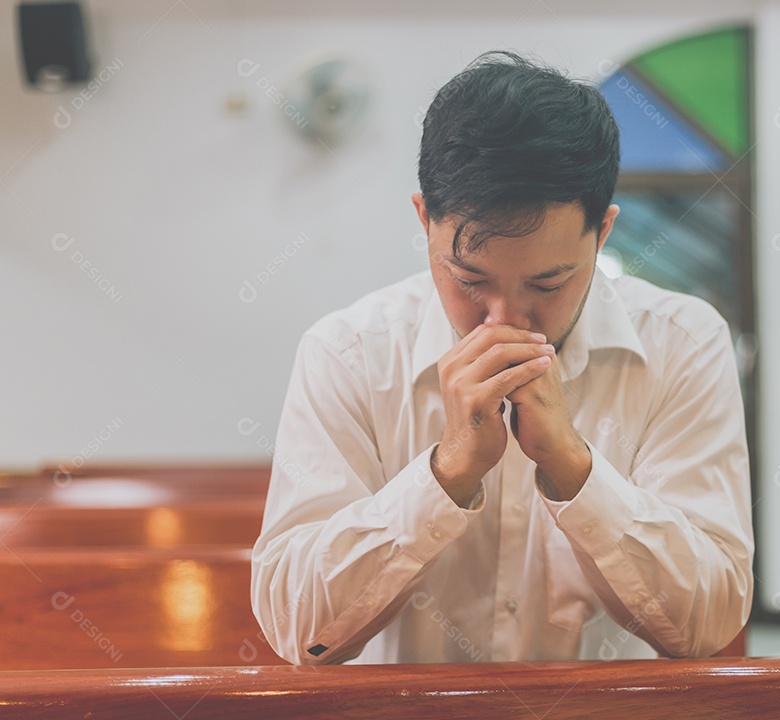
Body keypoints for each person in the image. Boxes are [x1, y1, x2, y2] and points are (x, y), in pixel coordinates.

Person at [251, 51, 753, 665]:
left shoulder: (682, 343)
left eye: (547, 285)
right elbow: (298, 632)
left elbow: (709, 624)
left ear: (603, 235)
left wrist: (574, 467)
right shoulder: (348, 354)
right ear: (424, 221)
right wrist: (446, 474)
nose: (504, 320)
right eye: (468, 279)